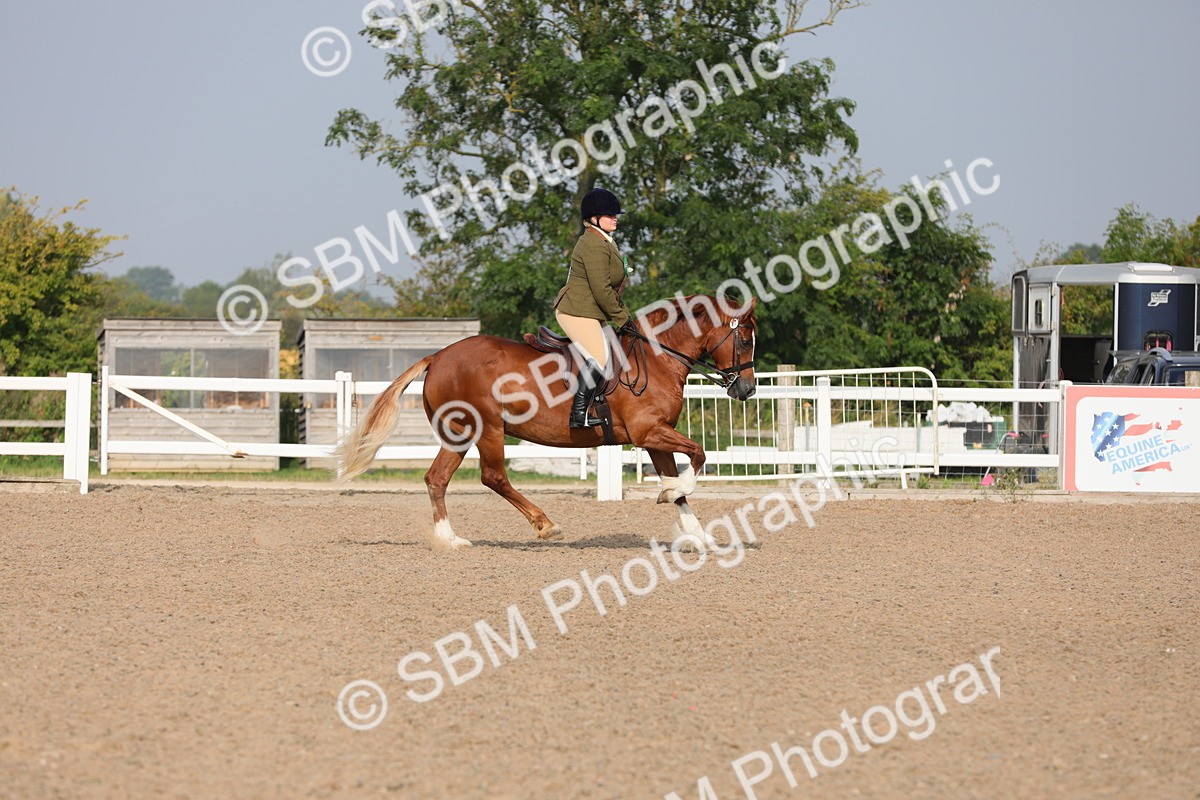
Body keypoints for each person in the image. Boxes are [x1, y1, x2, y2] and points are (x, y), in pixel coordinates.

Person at [552, 188, 633, 428]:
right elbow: (601, 289)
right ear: (594, 218)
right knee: (599, 356)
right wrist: (623, 318)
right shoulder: (593, 244)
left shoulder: (604, 240)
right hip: (576, 311)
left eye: (615, 214)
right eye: (609, 214)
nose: (615, 217)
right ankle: (578, 415)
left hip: (591, 310)